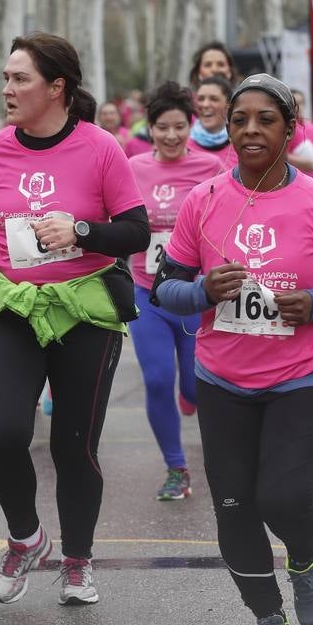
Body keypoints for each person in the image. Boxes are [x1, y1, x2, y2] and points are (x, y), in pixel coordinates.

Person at [153, 73, 313, 625]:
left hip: (301, 375)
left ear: (290, 130)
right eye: (239, 121)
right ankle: (267, 621)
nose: (250, 130)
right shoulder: (203, 202)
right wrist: (200, 290)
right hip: (223, 379)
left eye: (265, 120)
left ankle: (304, 560)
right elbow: (162, 288)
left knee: (284, 496)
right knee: (233, 506)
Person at [0, 32, 149, 606]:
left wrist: (82, 231)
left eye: (20, 79)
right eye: (5, 78)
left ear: (57, 87)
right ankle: (26, 537)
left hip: (83, 308)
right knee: (1, 433)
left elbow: (137, 230)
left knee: (74, 447)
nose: (7, 89)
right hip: (13, 304)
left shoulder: (100, 148)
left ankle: (78, 561)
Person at [127, 81, 223, 501]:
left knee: (195, 389)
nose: (170, 136)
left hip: (192, 295)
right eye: (162, 127)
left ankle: (191, 399)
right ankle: (176, 467)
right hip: (146, 293)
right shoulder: (132, 168)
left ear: (192, 126)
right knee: (157, 378)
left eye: (179, 127)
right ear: (150, 128)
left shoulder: (212, 169)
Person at [190, 75, 238, 168]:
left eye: (214, 99)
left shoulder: (240, 147)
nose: (205, 104)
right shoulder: (182, 146)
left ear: (228, 107)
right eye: (200, 99)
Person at [288, 90, 313, 176]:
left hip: (311, 183)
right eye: (294, 104)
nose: (297, 107)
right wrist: (308, 163)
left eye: (300, 103)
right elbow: (278, 157)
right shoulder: (284, 128)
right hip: (290, 181)